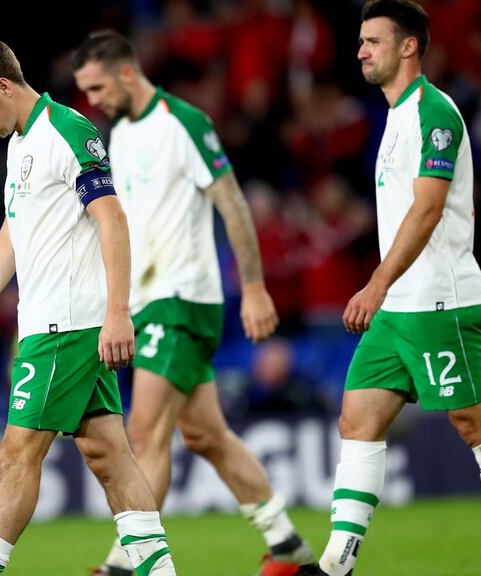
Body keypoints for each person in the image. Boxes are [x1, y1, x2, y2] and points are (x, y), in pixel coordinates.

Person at [297, 2, 481, 575]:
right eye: (359, 41)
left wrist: (376, 284)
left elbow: (428, 210)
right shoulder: (394, 115)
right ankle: (336, 563)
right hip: (399, 308)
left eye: (373, 41)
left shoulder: (434, 112)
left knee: (477, 426)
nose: (360, 50)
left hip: (437, 301)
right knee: (357, 419)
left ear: (409, 46)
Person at [72, 30, 313, 576]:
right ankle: (288, 546)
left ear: (126, 73)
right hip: (149, 302)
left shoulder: (185, 123)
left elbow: (232, 203)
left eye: (96, 87)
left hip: (182, 300)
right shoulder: (122, 136)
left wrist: (253, 288)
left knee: (145, 432)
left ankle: (124, 564)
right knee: (206, 435)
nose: (93, 101)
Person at [0, 36, 176, 576]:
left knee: (16, 454)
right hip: (57, 323)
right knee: (109, 456)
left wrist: (119, 312)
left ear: (3, 86)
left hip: (65, 326)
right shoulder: (19, 143)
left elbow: (111, 218)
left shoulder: (67, 132)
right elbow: (12, 234)